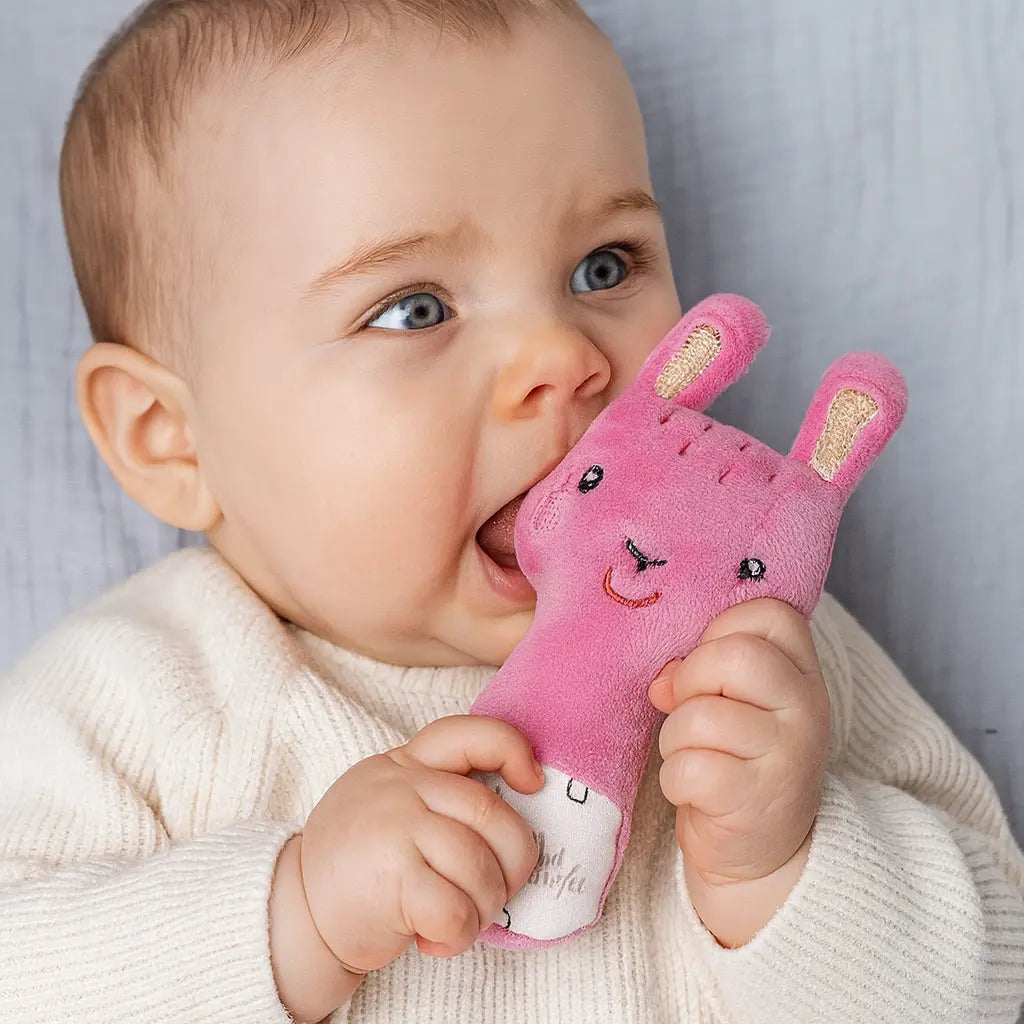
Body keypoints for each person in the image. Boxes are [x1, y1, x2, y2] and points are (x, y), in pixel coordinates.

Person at [1, 1, 1022, 1021]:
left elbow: (993, 975)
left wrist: (785, 861)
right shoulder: (134, 697)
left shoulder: (754, 648)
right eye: (414, 308)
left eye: (603, 267)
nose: (564, 358)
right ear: (167, 437)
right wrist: (293, 914)